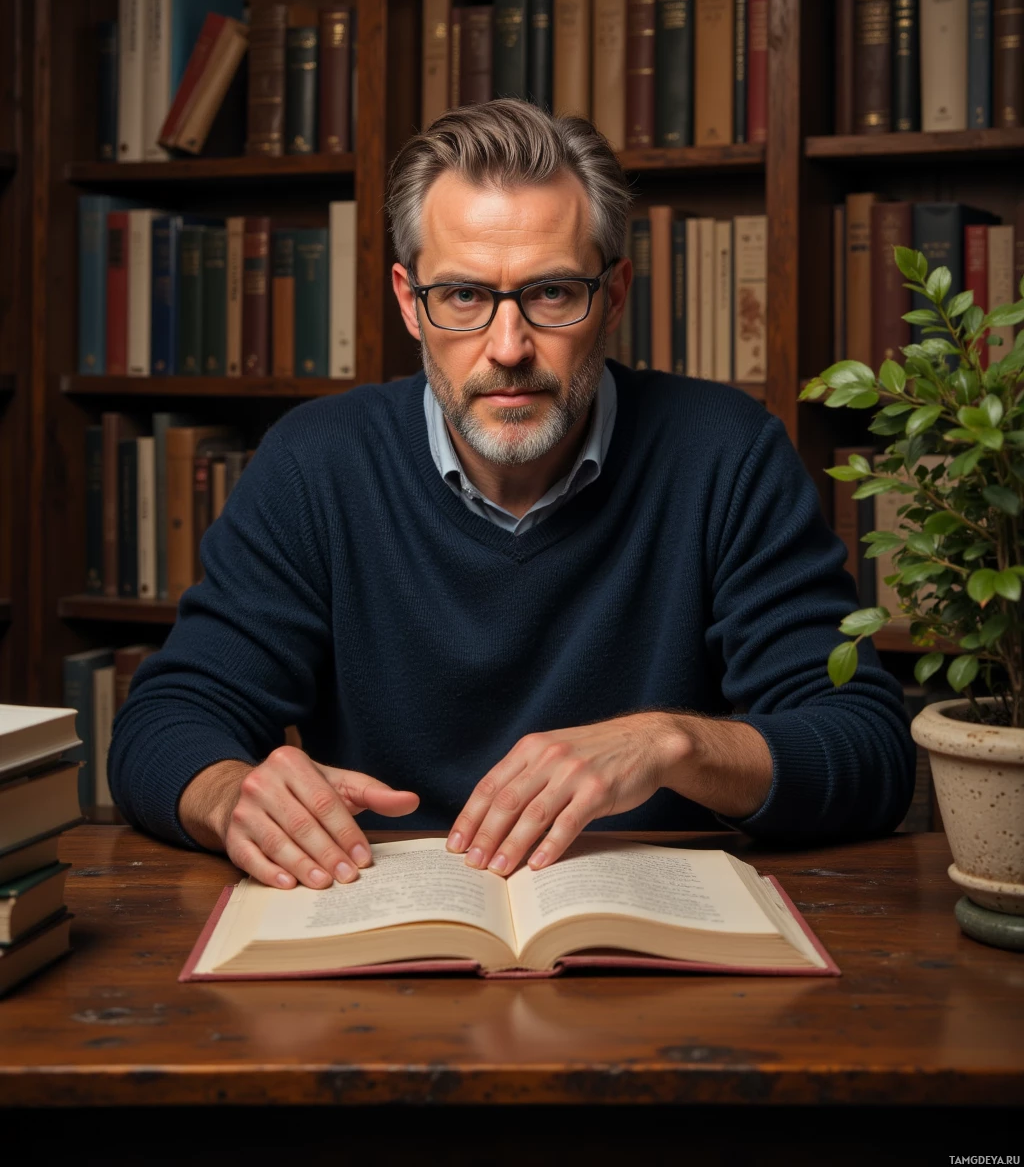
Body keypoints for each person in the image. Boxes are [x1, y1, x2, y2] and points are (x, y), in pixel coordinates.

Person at [110, 99, 914, 890]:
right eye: (462, 296)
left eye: (552, 293)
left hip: (648, 942)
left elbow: (868, 747)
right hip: (382, 930)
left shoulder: (726, 453)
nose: (508, 348)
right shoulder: (314, 462)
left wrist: (672, 743)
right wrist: (227, 797)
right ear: (407, 301)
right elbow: (165, 720)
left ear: (614, 295)